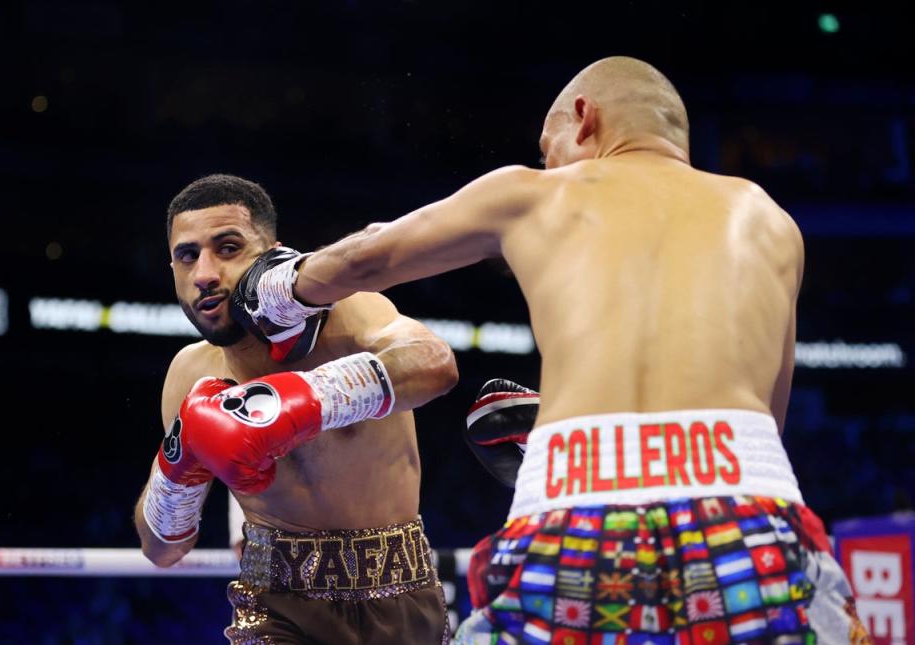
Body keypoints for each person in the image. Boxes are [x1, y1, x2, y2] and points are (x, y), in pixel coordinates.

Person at [251, 57, 872, 643]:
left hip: (575, 505)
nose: (550, 169)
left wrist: (277, 288)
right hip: (747, 505)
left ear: (585, 116)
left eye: (551, 153)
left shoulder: (532, 194)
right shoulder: (769, 219)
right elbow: (771, 419)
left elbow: (373, 255)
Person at [132, 174, 458, 644]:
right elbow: (161, 550)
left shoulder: (349, 317)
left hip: (403, 594)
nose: (204, 273)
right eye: (188, 255)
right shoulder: (189, 375)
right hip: (274, 607)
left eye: (227, 248)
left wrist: (300, 403)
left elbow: (434, 364)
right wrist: (174, 476)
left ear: (272, 255)